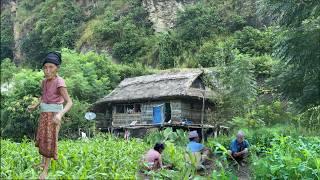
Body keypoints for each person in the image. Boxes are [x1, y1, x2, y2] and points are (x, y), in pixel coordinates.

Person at [28, 52, 73, 180]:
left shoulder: (60, 82)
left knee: (49, 140)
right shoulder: (44, 82)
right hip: (44, 113)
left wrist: (60, 114)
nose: (47, 70)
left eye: (51, 67)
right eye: (45, 67)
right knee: (42, 138)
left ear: (57, 68)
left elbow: (70, 102)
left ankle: (45, 171)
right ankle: (43, 162)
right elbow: (43, 96)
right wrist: (35, 106)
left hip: (54, 115)